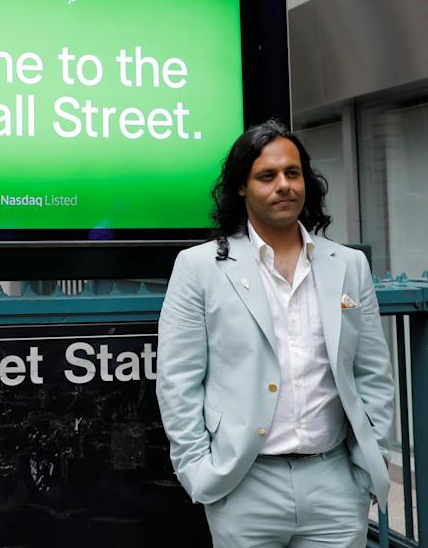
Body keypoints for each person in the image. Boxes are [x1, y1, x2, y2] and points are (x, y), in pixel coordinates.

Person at [156, 120, 394, 547]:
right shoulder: (199, 268)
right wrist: (199, 471)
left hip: (336, 483)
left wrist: (367, 467)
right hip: (243, 484)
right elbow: (178, 381)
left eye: (293, 172)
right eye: (267, 176)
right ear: (242, 187)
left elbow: (373, 371)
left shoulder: (348, 264)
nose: (283, 185)